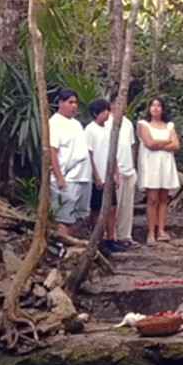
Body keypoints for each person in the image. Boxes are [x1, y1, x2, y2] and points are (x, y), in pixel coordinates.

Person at [137, 97, 181, 245]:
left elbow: (176, 145)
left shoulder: (169, 125)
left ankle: (161, 230)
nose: (156, 108)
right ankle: (150, 232)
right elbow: (149, 143)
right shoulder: (143, 125)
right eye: (153, 105)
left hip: (165, 165)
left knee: (163, 198)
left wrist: (159, 144)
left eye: (159, 106)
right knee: (152, 199)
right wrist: (167, 142)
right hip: (151, 165)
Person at [49, 89, 92, 237]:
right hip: (66, 178)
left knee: (76, 217)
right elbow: (52, 150)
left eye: (76, 103)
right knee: (63, 218)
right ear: (61, 103)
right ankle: (61, 248)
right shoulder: (54, 123)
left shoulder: (77, 124)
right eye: (70, 102)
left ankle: (69, 249)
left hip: (82, 176)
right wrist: (59, 176)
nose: (74, 106)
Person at [84, 99, 123, 253]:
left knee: (112, 208)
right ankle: (98, 240)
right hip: (98, 175)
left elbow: (112, 153)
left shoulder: (108, 129)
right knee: (97, 209)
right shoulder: (90, 130)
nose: (107, 113)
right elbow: (90, 154)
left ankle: (111, 238)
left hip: (109, 175)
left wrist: (116, 173)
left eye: (108, 110)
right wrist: (96, 177)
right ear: (95, 113)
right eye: (104, 111)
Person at [110, 94, 140, 249]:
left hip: (129, 170)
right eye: (119, 102)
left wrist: (133, 167)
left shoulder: (127, 123)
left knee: (127, 207)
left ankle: (125, 236)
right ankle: (112, 236)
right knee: (114, 206)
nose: (123, 106)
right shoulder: (107, 122)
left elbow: (132, 146)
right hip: (116, 170)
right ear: (112, 104)